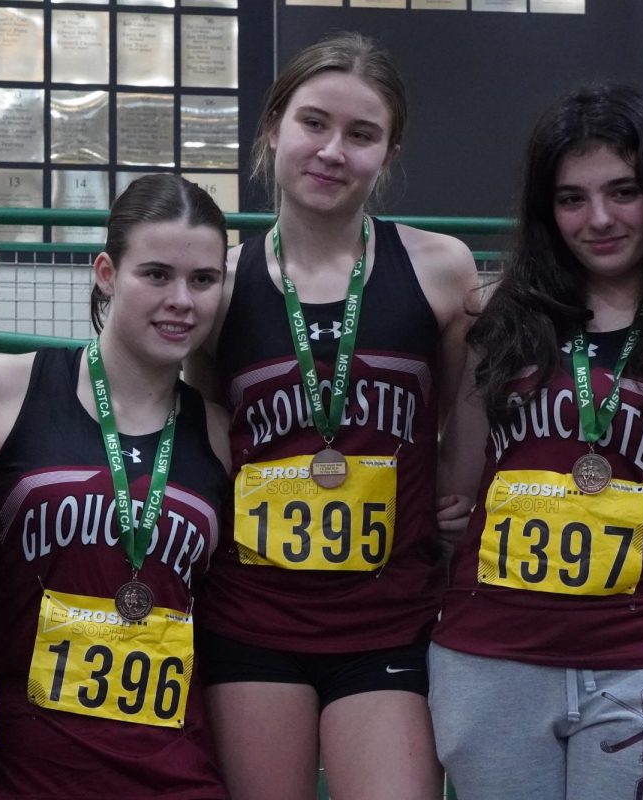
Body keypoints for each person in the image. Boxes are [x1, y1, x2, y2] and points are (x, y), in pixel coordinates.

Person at [427, 82, 643, 799]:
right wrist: (449, 515)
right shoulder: (495, 316)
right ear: (544, 208)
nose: (599, 219)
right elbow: (456, 483)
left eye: (623, 191)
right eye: (570, 199)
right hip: (489, 658)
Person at [185, 32, 478, 800]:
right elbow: (204, 430)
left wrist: (453, 494)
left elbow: (462, 416)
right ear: (274, 125)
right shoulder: (220, 284)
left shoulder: (440, 269)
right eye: (314, 123)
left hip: (391, 619)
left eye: (361, 134)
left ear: (389, 151)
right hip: (252, 617)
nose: (332, 151)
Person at [0, 174, 233, 798]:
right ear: (107, 274)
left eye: (203, 280)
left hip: (174, 773)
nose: (181, 301)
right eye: (157, 274)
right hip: (26, 773)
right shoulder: (1, 391)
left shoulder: (220, 435)